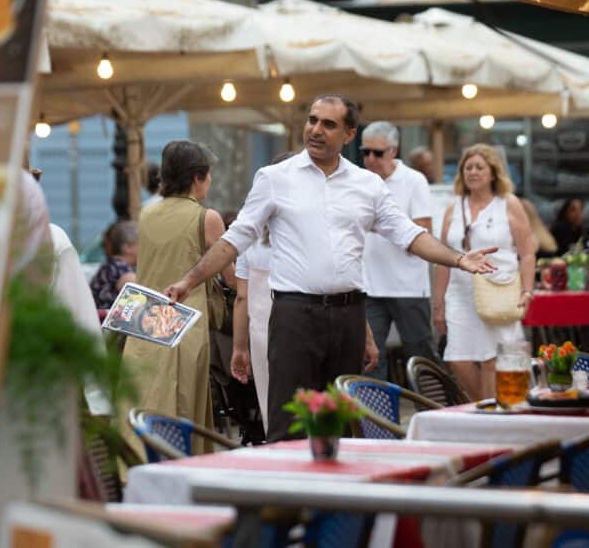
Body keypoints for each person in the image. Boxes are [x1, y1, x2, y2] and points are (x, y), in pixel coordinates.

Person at [163, 95, 497, 442]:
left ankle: (339, 495)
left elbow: (409, 234)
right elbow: (235, 240)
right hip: (294, 314)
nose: (316, 130)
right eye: (312, 120)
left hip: (349, 315)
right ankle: (286, 496)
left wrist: (458, 259)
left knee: (344, 422)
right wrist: (190, 280)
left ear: (350, 134)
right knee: (288, 422)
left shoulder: (367, 184)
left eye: (329, 124)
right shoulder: (275, 177)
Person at [122, 140, 235, 455]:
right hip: (185, 319)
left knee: (144, 398)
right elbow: (230, 276)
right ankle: (181, 467)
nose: (209, 182)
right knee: (183, 404)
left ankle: (136, 463)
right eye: (208, 175)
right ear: (197, 176)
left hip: (145, 319)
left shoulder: (147, 213)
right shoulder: (206, 217)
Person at [432, 144, 534, 401]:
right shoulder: (453, 207)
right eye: (468, 167)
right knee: (458, 359)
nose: (473, 172)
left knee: (492, 358)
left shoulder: (508, 204)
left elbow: (527, 252)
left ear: (493, 173)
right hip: (460, 292)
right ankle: (486, 405)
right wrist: (438, 303)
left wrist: (527, 290)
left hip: (498, 288)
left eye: (479, 167)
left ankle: (492, 415)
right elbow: (444, 258)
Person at [360, 121, 439, 380]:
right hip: (370, 285)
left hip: (408, 286)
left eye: (377, 153)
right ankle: (377, 420)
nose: (370, 158)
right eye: (365, 151)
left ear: (393, 151)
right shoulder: (359, 181)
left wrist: (379, 225)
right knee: (371, 359)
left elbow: (423, 229)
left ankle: (433, 416)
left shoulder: (413, 180)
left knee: (421, 356)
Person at [230, 151, 295, 435]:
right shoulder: (301, 236)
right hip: (300, 326)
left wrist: (238, 347)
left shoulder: (250, 237)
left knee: (271, 403)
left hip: (261, 332)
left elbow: (241, 298)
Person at [89, 220, 138, 310]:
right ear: (127, 248)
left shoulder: (109, 265)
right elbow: (139, 307)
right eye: (140, 244)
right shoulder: (123, 271)